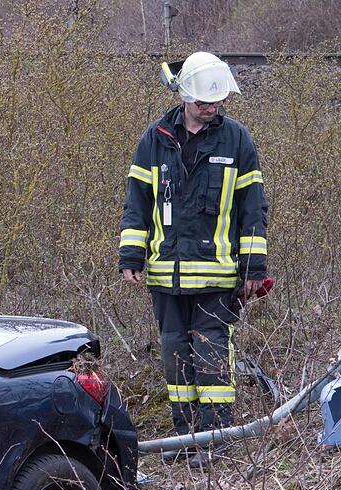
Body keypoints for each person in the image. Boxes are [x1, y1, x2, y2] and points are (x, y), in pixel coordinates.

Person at [118, 52, 268, 466]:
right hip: (166, 274)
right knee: (174, 356)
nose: (212, 108)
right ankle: (183, 436)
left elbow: (252, 209)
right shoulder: (154, 139)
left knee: (212, 355)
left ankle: (216, 437)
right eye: (204, 102)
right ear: (185, 96)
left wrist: (254, 266)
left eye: (218, 102)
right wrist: (131, 252)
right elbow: (137, 202)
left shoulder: (236, 140)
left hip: (217, 275)